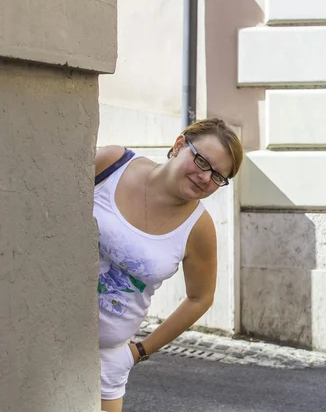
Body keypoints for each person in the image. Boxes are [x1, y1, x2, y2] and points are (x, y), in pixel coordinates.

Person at [94, 118, 243, 412]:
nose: (205, 178)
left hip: (106, 359)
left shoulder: (198, 228)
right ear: (178, 146)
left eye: (217, 176)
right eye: (202, 161)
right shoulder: (112, 164)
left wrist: (137, 352)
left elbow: (201, 298)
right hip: (39, 328)